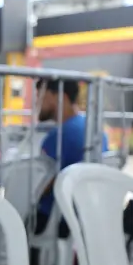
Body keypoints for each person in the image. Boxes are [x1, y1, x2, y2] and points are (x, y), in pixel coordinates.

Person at [35, 78, 109, 235]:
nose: (36, 104)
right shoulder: (96, 131)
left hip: (52, 220)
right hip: (86, 217)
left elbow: (38, 187)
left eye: (41, 97)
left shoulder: (59, 136)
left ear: (60, 96)